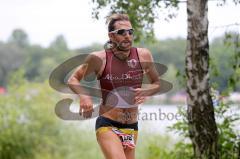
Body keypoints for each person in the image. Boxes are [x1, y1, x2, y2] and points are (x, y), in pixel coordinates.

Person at [67, 13, 160, 159]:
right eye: (121, 32)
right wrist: (84, 96)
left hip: (132, 126)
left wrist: (147, 92)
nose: (127, 36)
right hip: (108, 124)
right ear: (111, 36)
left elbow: (157, 83)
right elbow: (73, 79)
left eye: (130, 32)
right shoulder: (99, 58)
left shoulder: (143, 56)